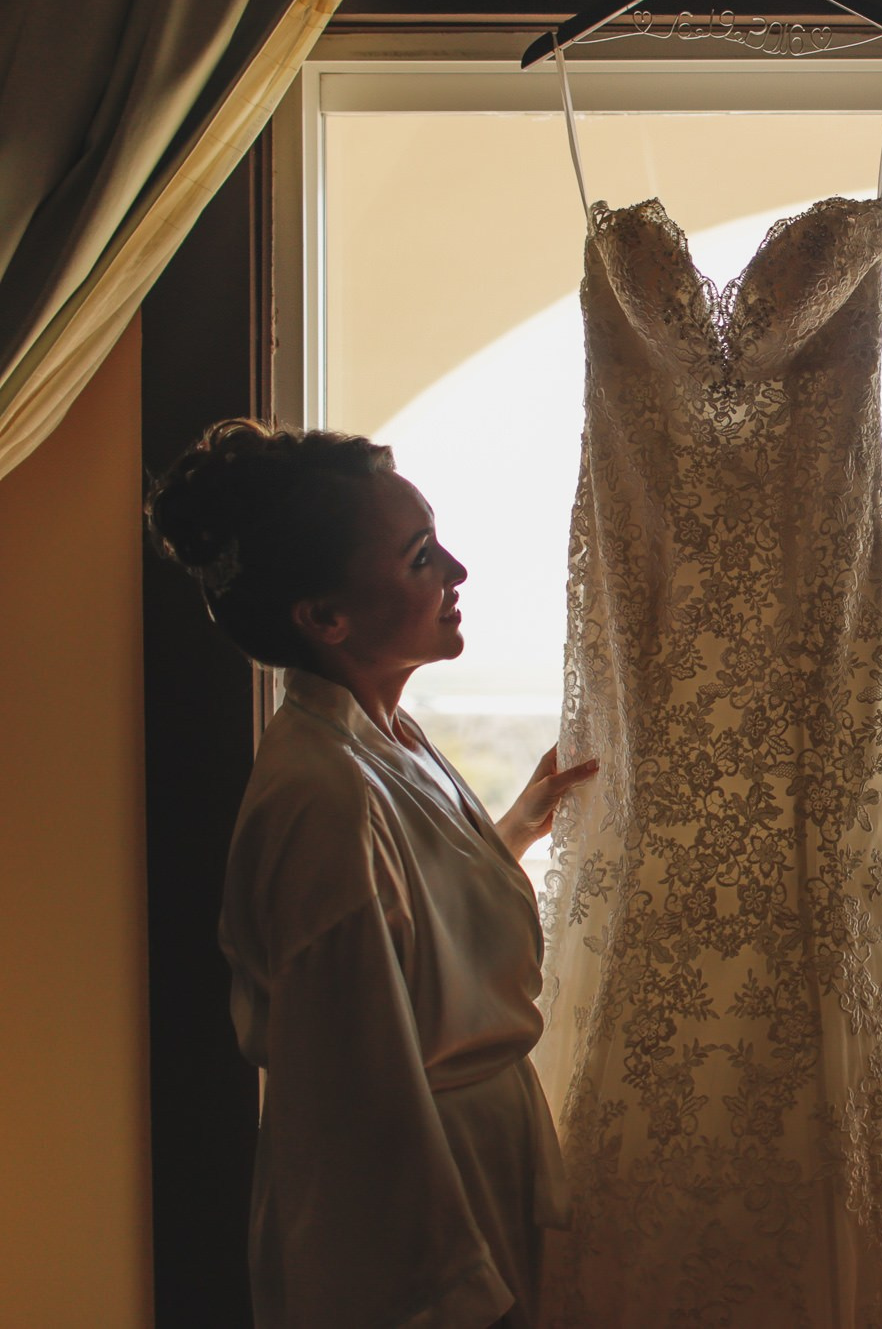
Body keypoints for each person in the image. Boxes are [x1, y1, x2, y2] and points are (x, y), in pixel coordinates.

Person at [146, 419, 598, 1329]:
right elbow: (354, 1096)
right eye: (421, 556)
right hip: (423, 1204)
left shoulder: (382, 737)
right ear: (324, 617)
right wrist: (463, 1300)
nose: (457, 573)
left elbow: (401, 936)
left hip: (480, 1162)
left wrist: (506, 830)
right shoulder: (319, 795)